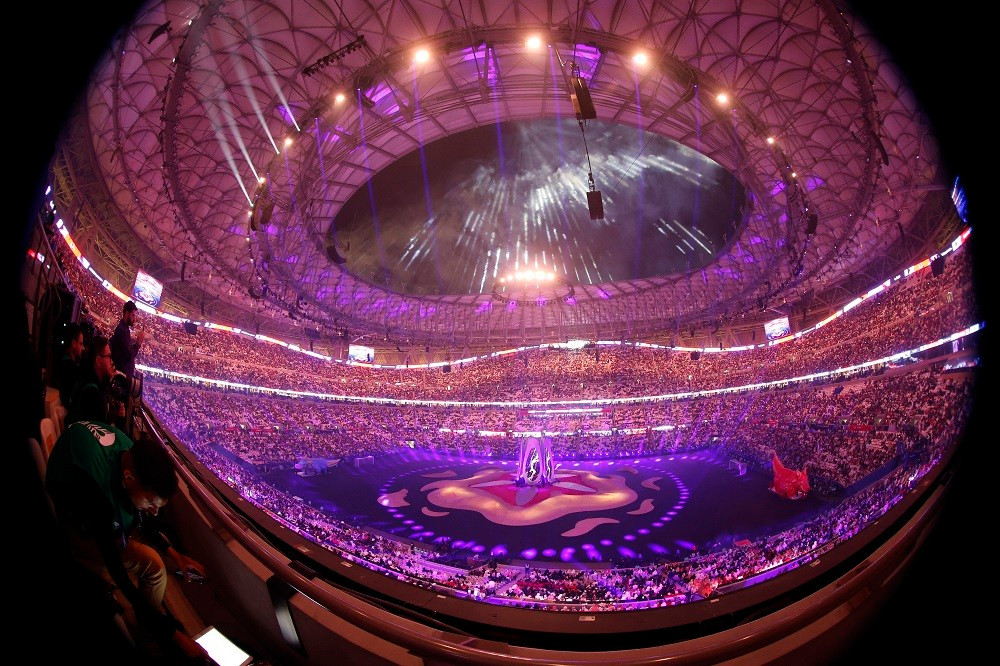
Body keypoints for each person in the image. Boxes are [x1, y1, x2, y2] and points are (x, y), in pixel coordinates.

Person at [46, 422, 212, 663]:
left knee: (156, 555)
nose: (154, 512)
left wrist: (173, 553)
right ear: (129, 479)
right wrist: (172, 635)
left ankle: (153, 623)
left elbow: (141, 517)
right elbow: (118, 573)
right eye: (151, 502)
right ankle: (151, 636)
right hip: (74, 525)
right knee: (153, 566)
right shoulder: (98, 494)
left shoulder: (128, 452)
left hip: (83, 503)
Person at [66, 336, 121, 427]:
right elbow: (101, 433)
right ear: (98, 360)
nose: (111, 361)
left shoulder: (85, 380)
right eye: (109, 356)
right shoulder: (92, 393)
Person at [111, 300, 144, 380]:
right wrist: (137, 343)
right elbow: (129, 356)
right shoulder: (121, 330)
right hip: (121, 377)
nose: (134, 319)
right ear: (126, 313)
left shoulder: (125, 329)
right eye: (133, 316)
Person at [56, 322, 84, 406]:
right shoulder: (70, 367)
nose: (83, 348)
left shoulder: (64, 360)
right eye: (81, 343)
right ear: (74, 343)